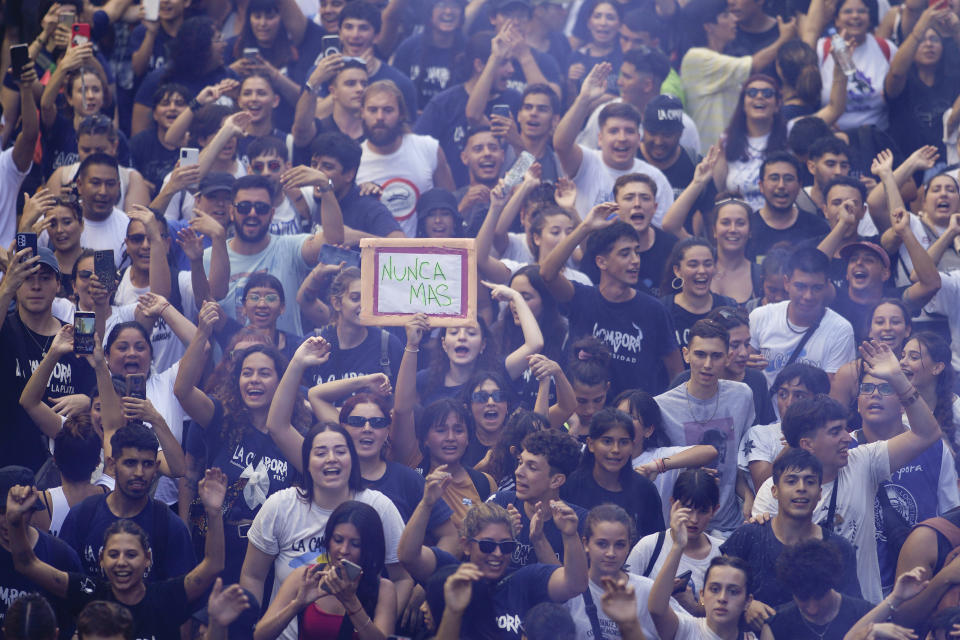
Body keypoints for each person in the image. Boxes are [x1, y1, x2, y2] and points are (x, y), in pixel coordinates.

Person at [751, 340, 944, 604]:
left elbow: (928, 433)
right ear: (807, 445)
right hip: (801, 618)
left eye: (844, 428)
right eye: (835, 432)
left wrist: (898, 379)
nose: (847, 438)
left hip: (863, 614)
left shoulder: (861, 461)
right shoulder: (771, 493)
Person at [7, 468, 226, 640]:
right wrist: (15, 521)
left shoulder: (164, 597)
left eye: (131, 555)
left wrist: (214, 513)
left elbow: (213, 564)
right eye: (113, 554)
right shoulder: (90, 593)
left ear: (147, 559)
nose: (122, 562)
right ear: (101, 559)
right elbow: (27, 563)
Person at [174, 301, 308, 583]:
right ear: (237, 380)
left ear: (281, 382)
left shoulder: (295, 434)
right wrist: (203, 332)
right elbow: (183, 391)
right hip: (215, 549)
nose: (254, 380)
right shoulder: (221, 417)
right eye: (247, 373)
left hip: (270, 557)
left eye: (264, 373)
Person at [243, 417, 410, 640]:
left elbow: (403, 577)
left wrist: (379, 615)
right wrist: (295, 605)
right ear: (307, 462)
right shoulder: (281, 505)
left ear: (352, 459)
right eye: (321, 453)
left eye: (340, 451)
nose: (331, 459)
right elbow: (253, 575)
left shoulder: (379, 506)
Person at [540, 205, 682, 397]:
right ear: (601, 262)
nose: (635, 260)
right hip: (583, 415)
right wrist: (585, 228)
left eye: (636, 252)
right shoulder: (581, 297)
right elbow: (547, 273)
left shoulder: (654, 310)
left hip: (633, 421)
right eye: (625, 253)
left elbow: (677, 374)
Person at [402, 498, 587, 640]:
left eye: (506, 546)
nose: (498, 553)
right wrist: (426, 504)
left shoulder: (524, 580)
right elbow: (407, 556)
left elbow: (574, 584)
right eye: (488, 545)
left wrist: (570, 535)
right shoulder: (450, 575)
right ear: (466, 545)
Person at [721, 449, 862, 618]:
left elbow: (852, 613)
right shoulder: (748, 536)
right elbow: (714, 594)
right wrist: (745, 605)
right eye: (791, 481)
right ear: (774, 491)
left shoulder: (839, 548)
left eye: (810, 482)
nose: (801, 488)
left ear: (819, 493)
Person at [203, 173, 344, 338]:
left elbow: (332, 241)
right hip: (228, 361)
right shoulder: (208, 257)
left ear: (271, 214)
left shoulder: (290, 248)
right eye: (244, 207)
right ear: (231, 212)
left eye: (261, 208)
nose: (253, 213)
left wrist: (324, 184)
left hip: (286, 361)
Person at [654, 319, 756, 534]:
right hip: (683, 525)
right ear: (686, 354)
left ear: (727, 357)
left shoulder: (742, 396)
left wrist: (748, 496)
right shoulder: (662, 407)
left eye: (716, 356)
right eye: (700, 354)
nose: (707, 364)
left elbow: (735, 462)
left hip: (731, 525)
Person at [58, 424, 195, 581]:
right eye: (130, 463)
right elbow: (62, 584)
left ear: (156, 467)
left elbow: (183, 594)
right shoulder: (82, 516)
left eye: (147, 464)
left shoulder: (170, 526)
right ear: (112, 464)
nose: (139, 473)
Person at [0, 247, 95, 472]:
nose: (36, 286)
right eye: (27, 278)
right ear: (15, 285)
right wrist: (6, 288)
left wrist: (89, 402)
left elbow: (101, 394)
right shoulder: (4, 329)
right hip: (8, 464)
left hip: (63, 469)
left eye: (44, 278)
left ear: (58, 284)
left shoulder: (76, 335)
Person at [253, 501, 398, 640]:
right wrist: (297, 604)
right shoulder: (306, 577)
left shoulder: (383, 590)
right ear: (328, 540)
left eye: (355, 544)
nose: (343, 550)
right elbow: (259, 636)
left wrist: (351, 603)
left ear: (368, 547)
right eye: (338, 540)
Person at [554, 63, 674, 226]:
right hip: (585, 250)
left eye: (629, 131)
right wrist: (584, 99)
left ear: (639, 139)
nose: (622, 138)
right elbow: (561, 144)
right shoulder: (587, 162)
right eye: (614, 131)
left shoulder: (655, 179)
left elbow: (661, 232)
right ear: (600, 138)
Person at [679, 0, 796, 149]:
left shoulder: (719, 58)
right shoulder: (696, 57)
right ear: (709, 27)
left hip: (728, 153)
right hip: (708, 156)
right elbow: (753, 65)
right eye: (726, 15)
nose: (734, 19)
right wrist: (784, 39)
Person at [355, 80, 455, 236]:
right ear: (362, 112)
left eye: (388, 110)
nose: (380, 117)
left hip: (424, 255)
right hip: (373, 254)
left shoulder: (428, 148)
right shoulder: (353, 159)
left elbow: (449, 204)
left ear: (401, 113)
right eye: (373, 110)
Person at [648, 503, 759, 640]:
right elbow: (656, 609)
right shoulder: (687, 629)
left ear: (748, 601)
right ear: (702, 595)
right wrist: (678, 546)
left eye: (733, 591)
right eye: (714, 589)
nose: (722, 598)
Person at [749, 247, 856, 386]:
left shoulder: (840, 331)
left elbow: (832, 392)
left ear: (827, 286)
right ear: (787, 283)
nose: (808, 296)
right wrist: (743, 365)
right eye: (800, 286)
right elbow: (739, 369)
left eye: (816, 288)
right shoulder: (761, 317)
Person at [565, 504, 673, 640]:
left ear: (629, 545)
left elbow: (688, 631)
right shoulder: (570, 592)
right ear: (586, 544)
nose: (611, 553)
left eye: (619, 545)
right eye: (602, 544)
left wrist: (700, 605)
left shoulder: (648, 591)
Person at [627, 468, 723, 614]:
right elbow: (624, 598)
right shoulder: (649, 547)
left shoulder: (722, 552)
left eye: (703, 511)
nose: (694, 519)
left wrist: (698, 606)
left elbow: (729, 607)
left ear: (714, 510)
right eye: (687, 509)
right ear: (673, 503)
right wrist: (661, 592)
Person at [488, 429, 587, 569]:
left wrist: (539, 540)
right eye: (520, 462)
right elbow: (473, 561)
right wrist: (501, 534)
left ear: (556, 481)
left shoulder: (578, 522)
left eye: (532, 467)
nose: (518, 472)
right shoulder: (499, 503)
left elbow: (573, 587)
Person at [0, 467, 81, 636]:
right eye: (2, 511)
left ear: (32, 510)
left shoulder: (61, 555)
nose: (7, 519)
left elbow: (77, 619)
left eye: (19, 511)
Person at [561, 408, 665, 537]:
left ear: (632, 446)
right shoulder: (571, 486)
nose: (616, 449)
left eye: (623, 442)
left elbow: (654, 543)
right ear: (591, 444)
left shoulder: (645, 490)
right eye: (607, 441)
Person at [291, 132, 403, 244]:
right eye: (314, 164)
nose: (316, 173)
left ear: (349, 174)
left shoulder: (370, 208)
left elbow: (405, 247)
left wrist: (360, 238)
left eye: (327, 167)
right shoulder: (320, 198)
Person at [301, 267, 403, 390]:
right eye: (355, 298)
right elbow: (298, 398)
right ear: (336, 303)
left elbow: (403, 401)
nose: (364, 304)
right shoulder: (313, 344)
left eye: (369, 298)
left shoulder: (388, 345)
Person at [741, 363, 831, 490]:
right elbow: (763, 486)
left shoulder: (830, 438)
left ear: (819, 399)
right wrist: (792, 444)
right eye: (782, 394)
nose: (789, 403)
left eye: (799, 396)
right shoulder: (759, 434)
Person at [761, 539, 875, 639]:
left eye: (819, 596)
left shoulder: (865, 615)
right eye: (803, 598)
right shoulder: (776, 627)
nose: (812, 609)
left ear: (831, 585)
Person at [713, 75, 788, 212]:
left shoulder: (789, 136)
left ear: (777, 105)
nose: (759, 96)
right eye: (752, 93)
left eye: (767, 93)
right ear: (743, 104)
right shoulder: (726, 140)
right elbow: (715, 191)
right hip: (739, 226)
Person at [829, 298, 913, 415]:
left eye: (895, 322)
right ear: (870, 330)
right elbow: (832, 420)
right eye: (880, 322)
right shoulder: (849, 373)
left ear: (907, 330)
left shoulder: (917, 370)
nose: (887, 328)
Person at [660, 238, 737, 355]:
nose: (702, 270)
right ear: (677, 270)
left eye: (708, 264)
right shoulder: (662, 309)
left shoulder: (728, 307)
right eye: (693, 265)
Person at [749, 153, 831, 259]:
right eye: (774, 178)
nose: (781, 185)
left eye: (789, 179)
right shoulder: (748, 228)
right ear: (761, 186)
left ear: (799, 186)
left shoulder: (818, 228)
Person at [391, 0, 466, 110]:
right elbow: (394, 91)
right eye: (441, 5)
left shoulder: (469, 51)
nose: (448, 11)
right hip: (412, 121)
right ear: (429, 13)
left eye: (454, 6)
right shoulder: (408, 48)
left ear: (462, 14)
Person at [776, 40, 848, 127]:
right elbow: (835, 109)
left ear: (779, 69)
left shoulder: (781, 116)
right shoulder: (817, 106)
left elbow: (835, 109)